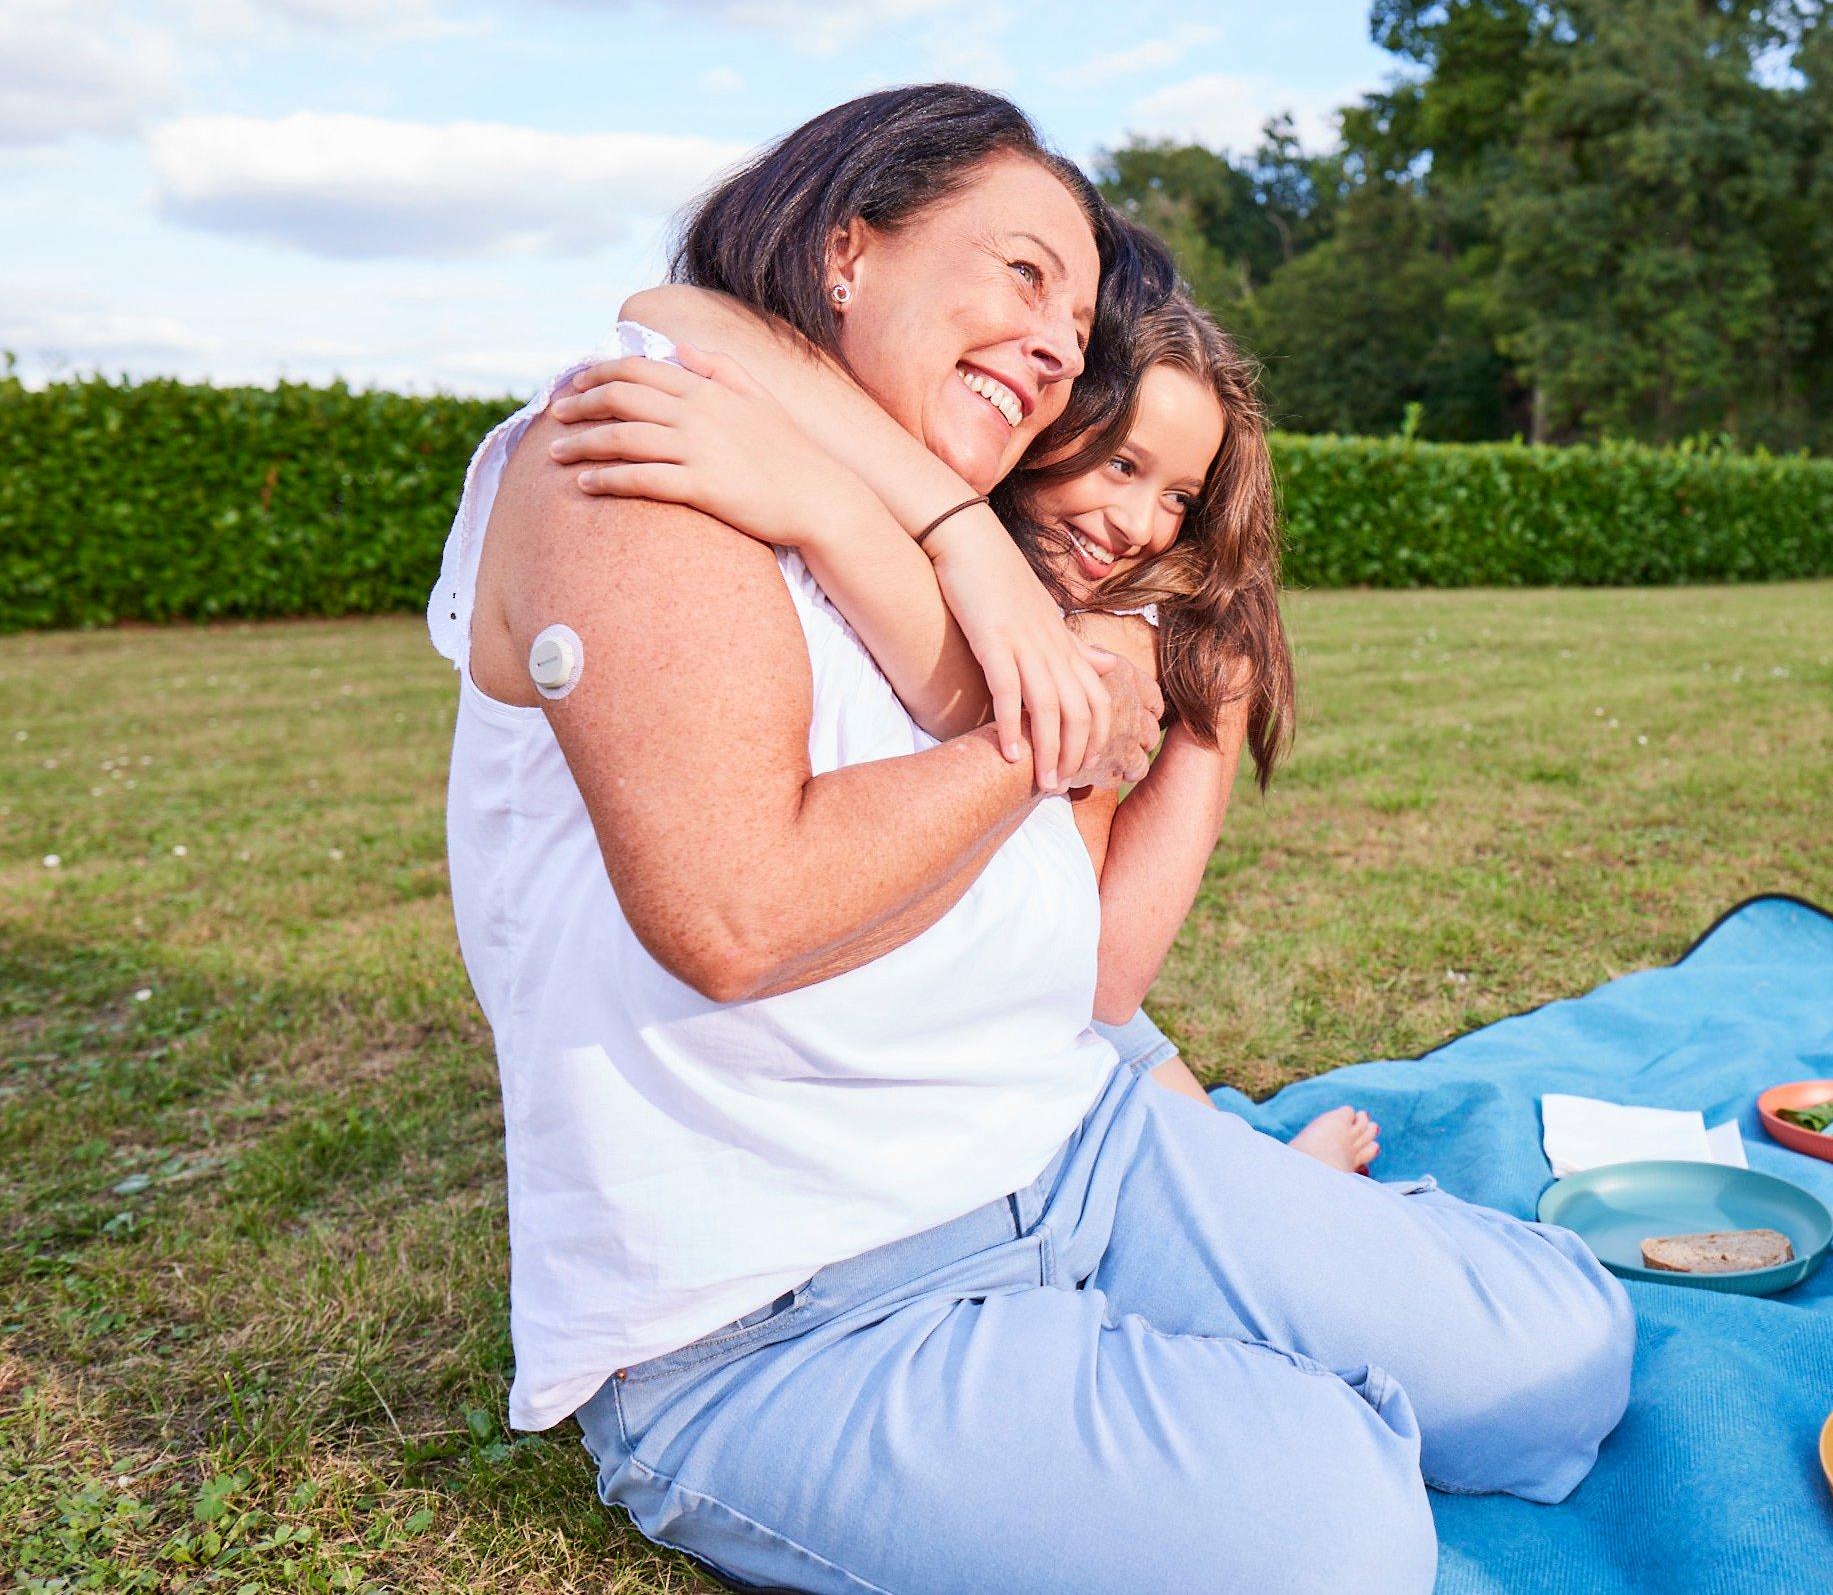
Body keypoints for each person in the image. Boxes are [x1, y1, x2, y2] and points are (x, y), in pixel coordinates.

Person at [431, 83, 1631, 1595]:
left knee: (1564, 1353)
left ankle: (1216, 1319)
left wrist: (966, 568)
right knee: (1336, 1539)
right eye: (1022, 273)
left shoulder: (927, 511)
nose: (1061, 341)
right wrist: (1056, 716)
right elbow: (736, 915)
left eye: (1077, 317)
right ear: (847, 245)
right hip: (794, 1311)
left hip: (1075, 1149)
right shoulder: (641, 449)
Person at [558, 285, 1381, 1171]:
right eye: (1121, 464)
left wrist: (815, 504)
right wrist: (850, 505)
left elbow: (1102, 976)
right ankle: (1266, 1172)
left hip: (1041, 992)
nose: (1142, 527)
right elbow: (673, 311)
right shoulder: (957, 520)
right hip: (957, 987)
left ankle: (1274, 1177)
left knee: (1150, 1084)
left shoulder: (1106, 632)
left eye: (1180, 497)